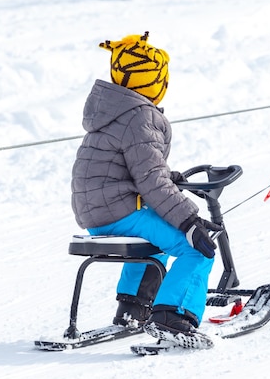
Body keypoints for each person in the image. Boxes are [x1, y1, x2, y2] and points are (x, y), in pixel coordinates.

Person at [71, 32, 222, 348]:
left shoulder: (112, 109)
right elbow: (151, 180)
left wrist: (169, 178)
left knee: (159, 239)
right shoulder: (141, 116)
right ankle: (172, 316)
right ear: (155, 81)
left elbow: (135, 166)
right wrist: (189, 222)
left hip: (96, 211)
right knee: (196, 247)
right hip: (120, 209)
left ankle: (134, 308)